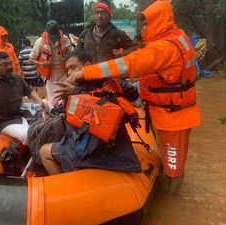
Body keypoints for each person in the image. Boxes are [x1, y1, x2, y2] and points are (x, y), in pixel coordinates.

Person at [68, 0, 201, 194]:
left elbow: (128, 65)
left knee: (174, 168)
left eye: (147, 23)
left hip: (173, 117)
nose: (144, 28)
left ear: (159, 21)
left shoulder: (164, 48)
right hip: (165, 108)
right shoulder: (177, 36)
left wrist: (85, 73)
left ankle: (172, 198)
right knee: (169, 161)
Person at [34, 50, 141, 175]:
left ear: (88, 65)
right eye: (67, 70)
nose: (69, 73)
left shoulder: (80, 91)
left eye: (73, 67)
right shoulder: (111, 82)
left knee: (43, 152)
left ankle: (66, 184)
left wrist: (76, 93)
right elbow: (133, 93)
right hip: (117, 150)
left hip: (93, 153)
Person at [0, 51, 44, 145]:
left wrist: (39, 101)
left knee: (46, 105)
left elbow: (29, 91)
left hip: (20, 112)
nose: (9, 67)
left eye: (10, 63)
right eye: (5, 64)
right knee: (27, 135)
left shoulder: (16, 77)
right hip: (4, 121)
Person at [29, 20, 73, 110]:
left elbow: (72, 53)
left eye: (56, 36)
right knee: (53, 101)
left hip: (64, 74)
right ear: (47, 33)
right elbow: (31, 59)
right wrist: (42, 64)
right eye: (52, 37)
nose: (55, 40)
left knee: (68, 97)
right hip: (50, 76)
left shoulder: (64, 39)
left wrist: (67, 58)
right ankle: (54, 114)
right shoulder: (40, 42)